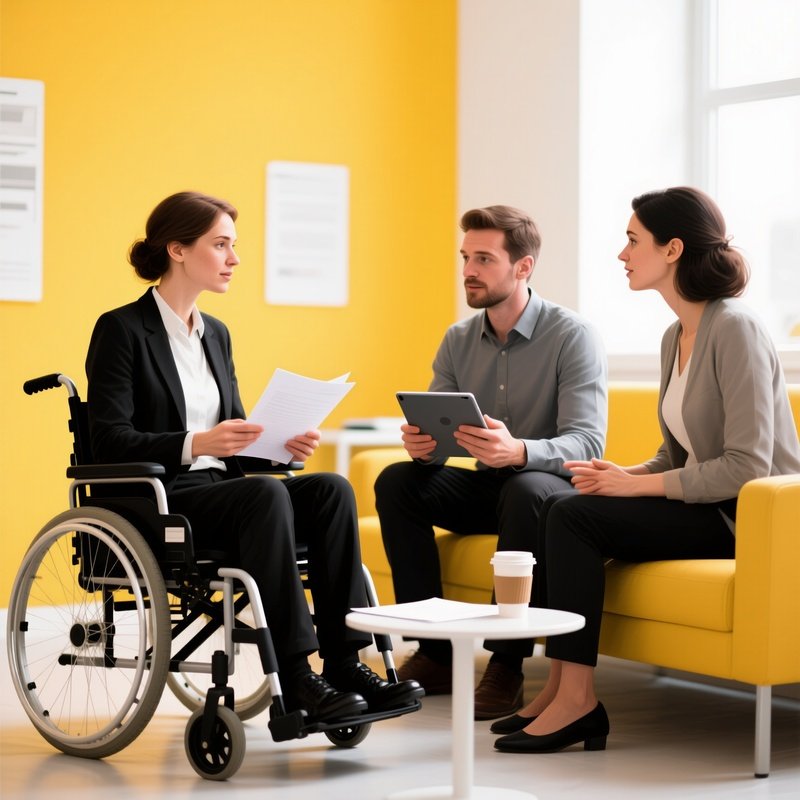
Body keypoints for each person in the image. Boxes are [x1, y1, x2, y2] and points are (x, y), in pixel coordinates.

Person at [86, 190, 422, 724]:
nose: (234, 259)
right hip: (164, 498)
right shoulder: (122, 330)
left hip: (229, 489)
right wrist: (195, 443)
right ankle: (294, 672)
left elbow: (236, 439)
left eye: (233, 246)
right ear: (177, 249)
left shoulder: (216, 334)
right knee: (263, 495)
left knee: (330, 488)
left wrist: (279, 448)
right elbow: (108, 439)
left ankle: (342, 661)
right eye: (221, 245)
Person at [491, 186, 800, 753]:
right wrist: (621, 473)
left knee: (577, 518)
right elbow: (678, 454)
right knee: (564, 504)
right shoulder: (674, 335)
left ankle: (579, 701)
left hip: (745, 519)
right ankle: (561, 686)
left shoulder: (737, 327)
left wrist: (634, 488)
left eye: (633, 240)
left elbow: (747, 466)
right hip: (705, 504)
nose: (622, 253)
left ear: (674, 248)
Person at [375, 205, 607, 719]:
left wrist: (521, 451)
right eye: (465, 257)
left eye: (483, 258)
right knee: (398, 481)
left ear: (523, 268)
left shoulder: (572, 336)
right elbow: (437, 431)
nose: (468, 271)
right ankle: (435, 653)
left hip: (549, 493)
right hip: (489, 490)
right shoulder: (458, 340)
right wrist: (423, 447)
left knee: (524, 488)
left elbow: (588, 443)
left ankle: (507, 663)